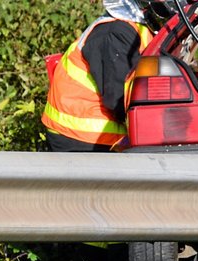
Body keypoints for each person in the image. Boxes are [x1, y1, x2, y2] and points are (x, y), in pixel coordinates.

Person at [42, 0, 157, 152]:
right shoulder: (115, 33)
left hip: (94, 135)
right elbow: (120, 100)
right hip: (82, 139)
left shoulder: (134, 28)